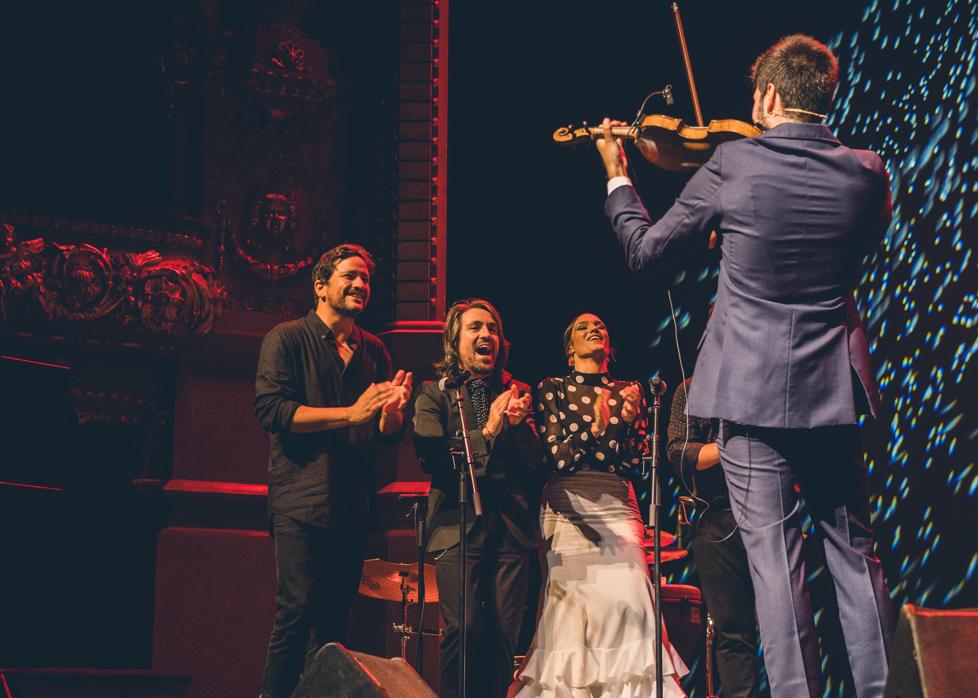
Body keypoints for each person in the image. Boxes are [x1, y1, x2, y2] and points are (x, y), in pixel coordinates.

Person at [594, 35, 896, 697]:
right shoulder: (868, 172)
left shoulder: (733, 163)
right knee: (855, 558)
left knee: (776, 568)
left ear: (768, 97)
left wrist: (619, 174)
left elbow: (646, 253)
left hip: (750, 396)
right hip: (834, 392)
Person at [254, 243, 412, 698]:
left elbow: (384, 434)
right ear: (320, 286)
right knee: (297, 610)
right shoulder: (286, 338)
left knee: (334, 623)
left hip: (352, 503)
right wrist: (351, 413)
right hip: (302, 498)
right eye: (350, 276)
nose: (361, 285)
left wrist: (391, 414)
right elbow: (272, 411)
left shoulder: (374, 350)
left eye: (366, 279)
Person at [511, 312, 687, 697]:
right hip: (567, 506)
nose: (594, 328)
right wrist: (602, 425)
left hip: (618, 503)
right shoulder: (552, 388)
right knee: (570, 610)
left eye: (600, 326)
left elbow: (632, 461)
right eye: (583, 327)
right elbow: (560, 459)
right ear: (570, 351)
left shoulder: (630, 390)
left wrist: (620, 421)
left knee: (632, 597)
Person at [410, 298, 543, 698]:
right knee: (465, 628)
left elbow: (536, 466)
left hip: (510, 527)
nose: (487, 334)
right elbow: (431, 455)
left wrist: (520, 427)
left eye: (493, 329)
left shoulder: (517, 393)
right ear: (455, 340)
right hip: (457, 524)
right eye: (475, 328)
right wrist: (487, 432)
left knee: (504, 635)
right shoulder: (436, 393)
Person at [667, 376, 760, 698]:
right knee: (733, 632)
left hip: (768, 515)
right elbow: (679, 453)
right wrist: (731, 447)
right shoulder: (692, 388)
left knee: (786, 622)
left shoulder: (764, 376)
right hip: (716, 518)